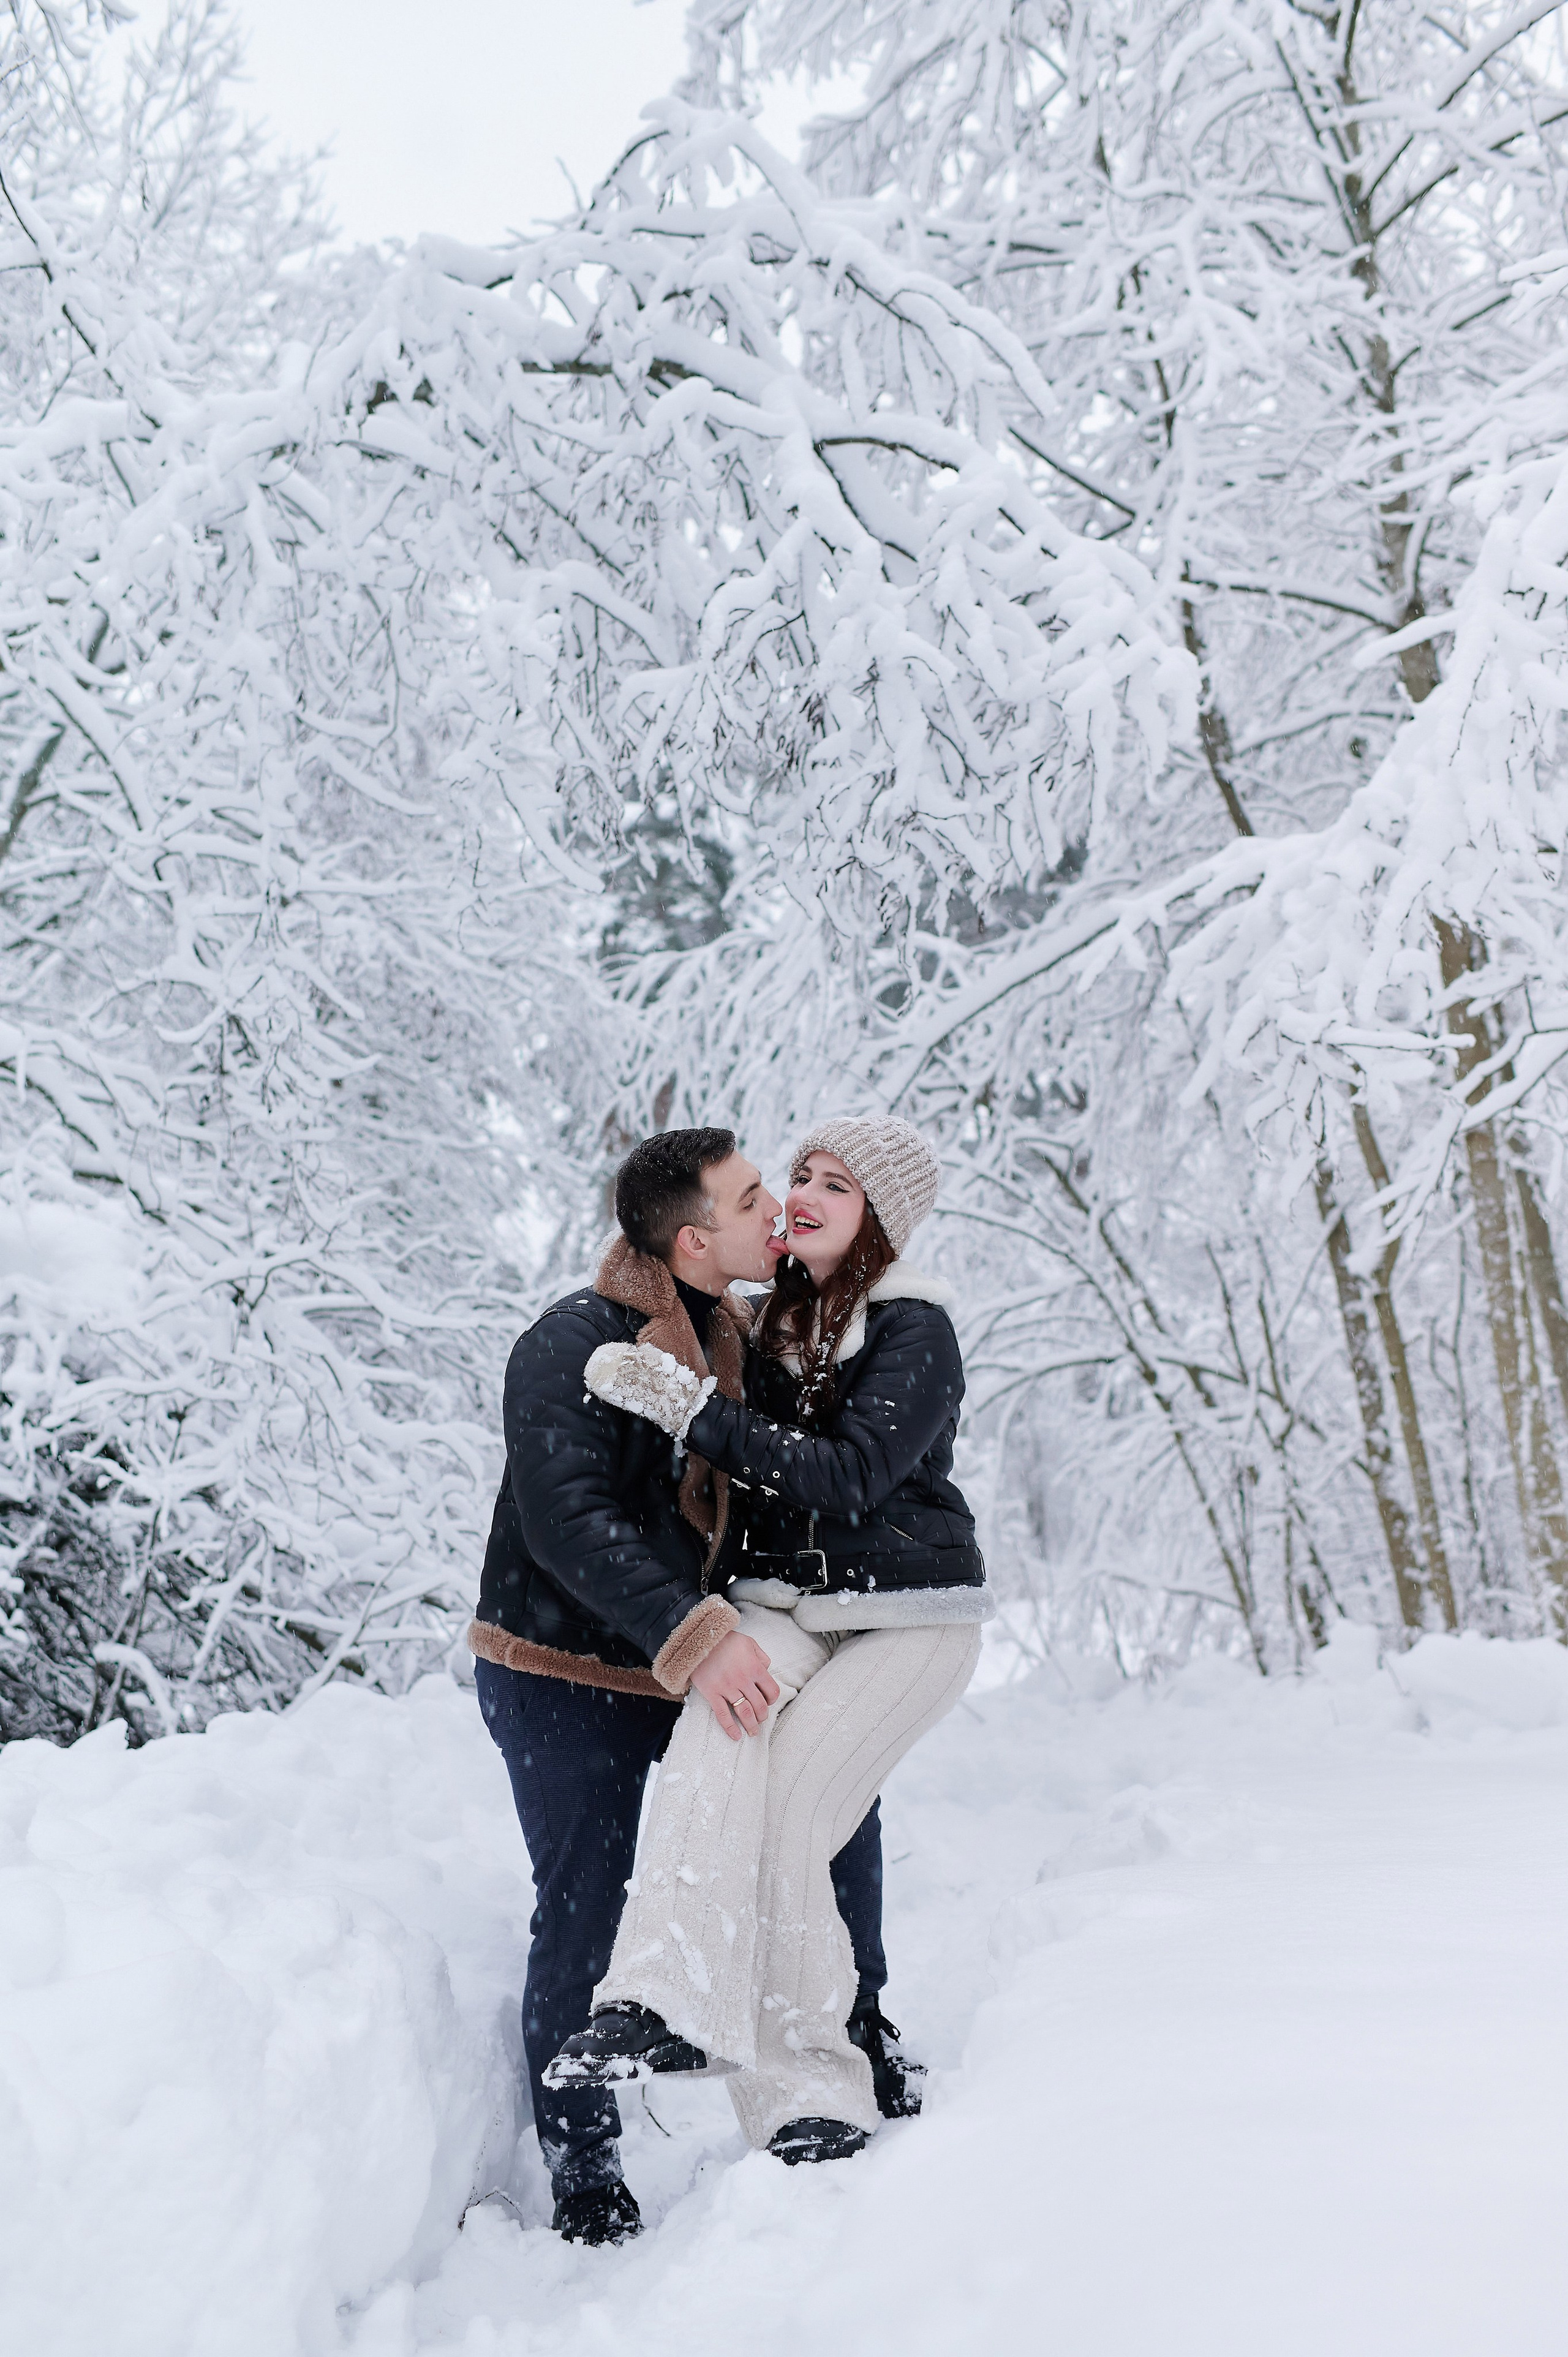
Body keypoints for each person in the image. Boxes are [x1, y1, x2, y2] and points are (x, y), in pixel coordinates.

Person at [466, 1128, 897, 2248]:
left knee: (831, 1813)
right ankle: (585, 2167)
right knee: (585, 1906)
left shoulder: (751, 1337)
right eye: (756, 1199)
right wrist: (697, 1637)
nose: (778, 1212)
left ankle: (861, 2030)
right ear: (698, 1238)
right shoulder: (569, 1343)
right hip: (565, 1671)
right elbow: (571, 1523)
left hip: (698, 1656)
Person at [547, 1114, 992, 2168]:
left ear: (877, 1220)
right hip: (783, 1607)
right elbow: (673, 1269)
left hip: (904, 1617)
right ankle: (659, 1993)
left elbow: (850, 1477)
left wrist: (694, 1411)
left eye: (836, 1186)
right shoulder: (758, 1321)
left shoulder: (914, 1327)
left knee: (792, 1819)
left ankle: (812, 2097)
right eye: (800, 1174)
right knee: (722, 1728)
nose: (803, 1195)